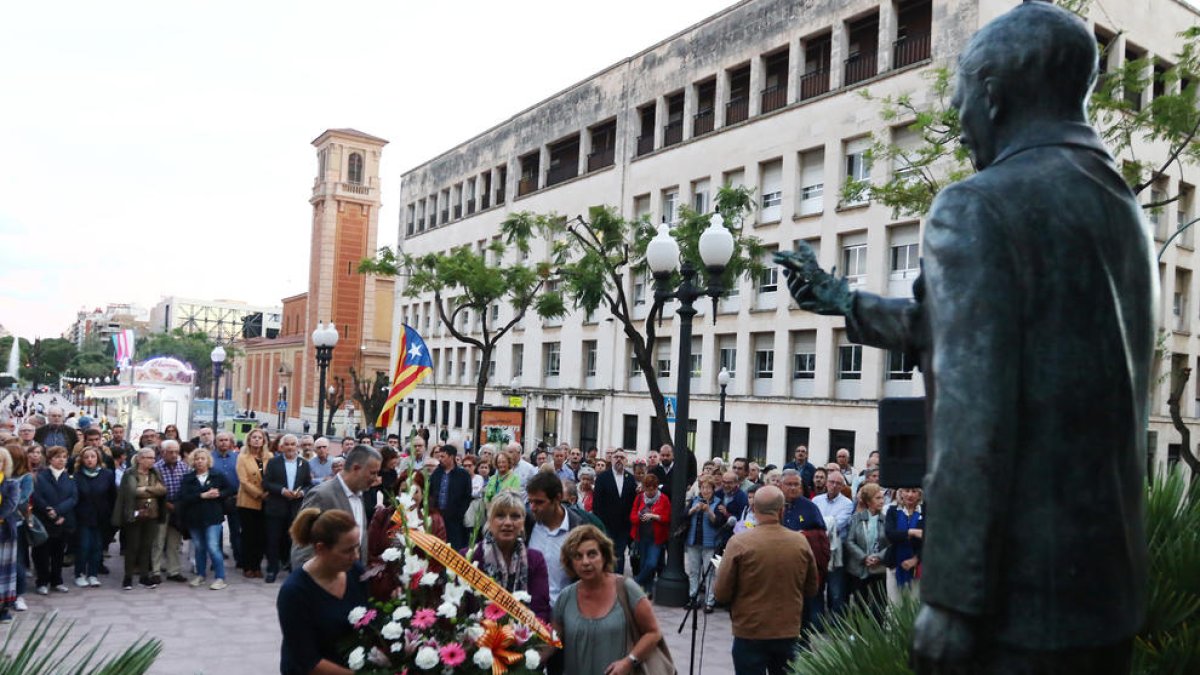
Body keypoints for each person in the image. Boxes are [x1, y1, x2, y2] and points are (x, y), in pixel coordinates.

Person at [714, 485, 819, 674]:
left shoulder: (739, 543)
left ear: (754, 509)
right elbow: (812, 588)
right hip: (787, 629)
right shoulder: (800, 542)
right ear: (781, 510)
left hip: (750, 629)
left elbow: (721, 593)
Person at [553, 525, 666, 675]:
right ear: (570, 562)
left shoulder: (626, 589)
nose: (585, 562)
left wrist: (629, 661)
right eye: (578, 556)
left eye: (592, 554)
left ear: (604, 556)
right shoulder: (565, 597)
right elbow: (551, 641)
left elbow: (653, 632)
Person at [276, 508, 367, 675]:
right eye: (347, 550)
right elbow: (308, 662)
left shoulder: (356, 572)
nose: (355, 556)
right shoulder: (294, 592)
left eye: (357, 547)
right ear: (321, 549)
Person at [465, 491, 551, 622]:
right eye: (500, 516)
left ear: (523, 522)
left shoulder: (535, 559)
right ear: (489, 521)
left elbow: (540, 610)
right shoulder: (470, 557)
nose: (508, 522)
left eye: (515, 516)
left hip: (525, 631)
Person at [292, 445, 381, 568]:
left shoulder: (359, 494)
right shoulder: (322, 495)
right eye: (373, 473)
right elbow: (303, 546)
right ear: (356, 468)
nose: (376, 479)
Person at [525, 470, 588, 605]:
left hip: (564, 610)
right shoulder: (527, 524)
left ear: (557, 498)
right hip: (529, 610)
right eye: (530, 502)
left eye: (539, 502)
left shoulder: (578, 530)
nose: (533, 508)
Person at [179, 448, 233, 590]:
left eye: (202, 459)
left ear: (208, 461)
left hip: (213, 516)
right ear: (193, 461)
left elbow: (229, 489)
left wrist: (219, 494)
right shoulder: (188, 478)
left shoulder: (217, 475)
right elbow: (183, 497)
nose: (200, 461)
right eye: (197, 459)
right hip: (194, 517)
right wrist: (201, 495)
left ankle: (220, 577)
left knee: (213, 546)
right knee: (199, 547)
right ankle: (200, 575)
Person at [112, 448, 167, 590]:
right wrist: (150, 490)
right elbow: (131, 491)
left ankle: (144, 577)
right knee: (132, 546)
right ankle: (128, 577)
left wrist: (145, 489)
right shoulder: (130, 473)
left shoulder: (155, 472)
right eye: (149, 458)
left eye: (153, 458)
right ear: (140, 459)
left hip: (152, 514)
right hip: (134, 514)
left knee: (146, 546)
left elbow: (162, 490)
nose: (152, 461)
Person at [263, 434, 313, 583]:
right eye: (287, 444)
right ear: (282, 447)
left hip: (295, 508)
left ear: (297, 447)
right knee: (273, 539)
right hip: (276, 507)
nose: (290, 447)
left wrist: (302, 492)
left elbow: (308, 484)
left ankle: (293, 569)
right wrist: (282, 490)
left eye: (293, 444)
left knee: (294, 540)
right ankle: (272, 569)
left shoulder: (304, 464)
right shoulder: (273, 462)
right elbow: (266, 483)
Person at [32, 445, 77, 595]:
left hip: (62, 521)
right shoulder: (40, 476)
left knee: (58, 553)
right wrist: (49, 511)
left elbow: (73, 498)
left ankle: (57, 581)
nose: (61, 460)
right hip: (44, 520)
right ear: (50, 459)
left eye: (64, 457)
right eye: (57, 457)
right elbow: (37, 497)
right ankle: (42, 582)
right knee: (42, 554)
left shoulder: (69, 477)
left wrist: (58, 512)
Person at [843, 483, 890, 621]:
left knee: (879, 604)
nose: (882, 501)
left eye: (882, 498)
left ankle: (878, 630)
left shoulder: (886, 520)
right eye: (878, 498)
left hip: (879, 568)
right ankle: (859, 630)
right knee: (859, 605)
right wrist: (864, 557)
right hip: (859, 568)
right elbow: (849, 541)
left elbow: (891, 544)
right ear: (868, 501)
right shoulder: (856, 518)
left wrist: (878, 557)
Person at [72, 447, 115, 588]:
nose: (90, 460)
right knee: (84, 546)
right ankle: (79, 574)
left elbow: (112, 495)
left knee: (97, 547)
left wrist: (111, 515)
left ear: (98, 458)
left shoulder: (107, 474)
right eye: (86, 457)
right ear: (82, 460)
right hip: (83, 516)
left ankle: (93, 574)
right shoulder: (77, 476)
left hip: (101, 516)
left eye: (93, 457)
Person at [813, 469, 853, 616]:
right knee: (816, 588)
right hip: (817, 550)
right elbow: (811, 522)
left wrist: (820, 524)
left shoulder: (847, 504)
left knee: (836, 592)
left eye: (838, 483)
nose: (834, 485)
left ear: (842, 486)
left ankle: (837, 624)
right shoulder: (816, 500)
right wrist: (828, 522)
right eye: (831, 482)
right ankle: (817, 621)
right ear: (826, 483)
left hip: (835, 551)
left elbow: (838, 524)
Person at [591, 449, 637, 573]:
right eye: (616, 457)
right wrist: (599, 522)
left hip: (624, 525)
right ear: (611, 459)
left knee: (620, 555)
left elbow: (633, 502)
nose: (619, 459)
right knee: (607, 553)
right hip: (606, 524)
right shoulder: (603, 478)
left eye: (622, 457)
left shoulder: (630, 479)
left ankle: (618, 580)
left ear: (626, 461)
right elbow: (597, 503)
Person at [236, 428, 273, 578]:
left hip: (266, 500)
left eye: (260, 437)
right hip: (248, 501)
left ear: (264, 441)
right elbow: (243, 481)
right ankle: (248, 566)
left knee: (261, 535)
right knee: (248, 535)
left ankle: (257, 566)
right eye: (254, 437)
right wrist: (259, 494)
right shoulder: (242, 458)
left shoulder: (269, 457)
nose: (257, 440)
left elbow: (274, 476)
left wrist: (268, 492)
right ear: (249, 440)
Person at [153, 439, 189, 582]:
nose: (174, 455)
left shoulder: (184, 467)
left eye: (176, 452)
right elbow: (152, 489)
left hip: (177, 508)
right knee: (158, 541)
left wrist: (179, 505)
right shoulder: (155, 468)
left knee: (174, 542)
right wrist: (165, 503)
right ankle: (155, 571)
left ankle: (173, 571)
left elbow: (187, 487)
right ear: (163, 453)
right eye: (170, 452)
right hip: (161, 508)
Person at [629, 473, 670, 596]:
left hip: (656, 538)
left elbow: (667, 518)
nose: (650, 492)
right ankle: (647, 590)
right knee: (643, 564)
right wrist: (640, 516)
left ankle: (635, 582)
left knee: (651, 563)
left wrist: (654, 516)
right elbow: (632, 517)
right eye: (648, 490)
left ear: (657, 487)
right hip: (641, 537)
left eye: (653, 489)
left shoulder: (663, 499)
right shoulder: (639, 498)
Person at [685, 475, 720, 613]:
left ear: (713, 489)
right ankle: (693, 597)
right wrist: (694, 509)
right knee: (693, 571)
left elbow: (718, 522)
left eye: (708, 488)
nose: (705, 491)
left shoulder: (718, 503)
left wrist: (708, 511)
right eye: (703, 488)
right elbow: (683, 515)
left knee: (709, 572)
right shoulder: (694, 500)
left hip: (710, 543)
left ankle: (709, 601)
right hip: (693, 541)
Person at [428, 444, 471, 550]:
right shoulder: (436, 473)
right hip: (437, 517)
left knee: (453, 548)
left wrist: (459, 513)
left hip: (455, 520)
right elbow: (430, 492)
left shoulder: (463, 475)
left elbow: (467, 496)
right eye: (439, 456)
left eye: (443, 456)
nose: (440, 459)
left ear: (451, 457)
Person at [211, 431, 242, 570]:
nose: (223, 443)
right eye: (220, 440)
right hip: (216, 498)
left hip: (235, 497)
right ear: (216, 442)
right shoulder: (210, 458)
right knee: (217, 530)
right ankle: (216, 560)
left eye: (226, 440)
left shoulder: (238, 458)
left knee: (236, 530)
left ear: (231, 442)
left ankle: (239, 558)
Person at [886, 487, 924, 589]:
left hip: (919, 566)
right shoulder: (893, 511)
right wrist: (911, 532)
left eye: (914, 491)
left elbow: (930, 539)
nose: (910, 495)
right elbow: (890, 534)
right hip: (895, 563)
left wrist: (916, 559)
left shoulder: (925, 512)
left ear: (919, 495)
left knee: (915, 598)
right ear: (901, 493)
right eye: (907, 491)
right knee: (894, 598)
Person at [0, 449, 22, 622]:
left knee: (4, 572)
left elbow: (11, 504)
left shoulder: (11, 484)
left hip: (4, 532)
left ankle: (3, 608)